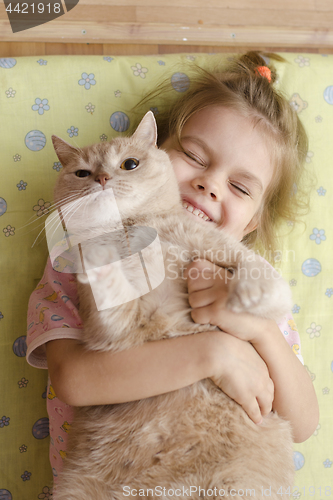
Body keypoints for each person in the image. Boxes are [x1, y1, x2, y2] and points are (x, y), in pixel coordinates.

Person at [26, 51, 319, 488]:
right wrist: (217, 354)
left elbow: (301, 424)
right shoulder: (81, 256)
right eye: (195, 157)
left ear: (253, 221)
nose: (210, 184)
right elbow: (74, 380)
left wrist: (258, 331)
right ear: (153, 153)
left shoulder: (250, 282)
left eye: (239, 187)